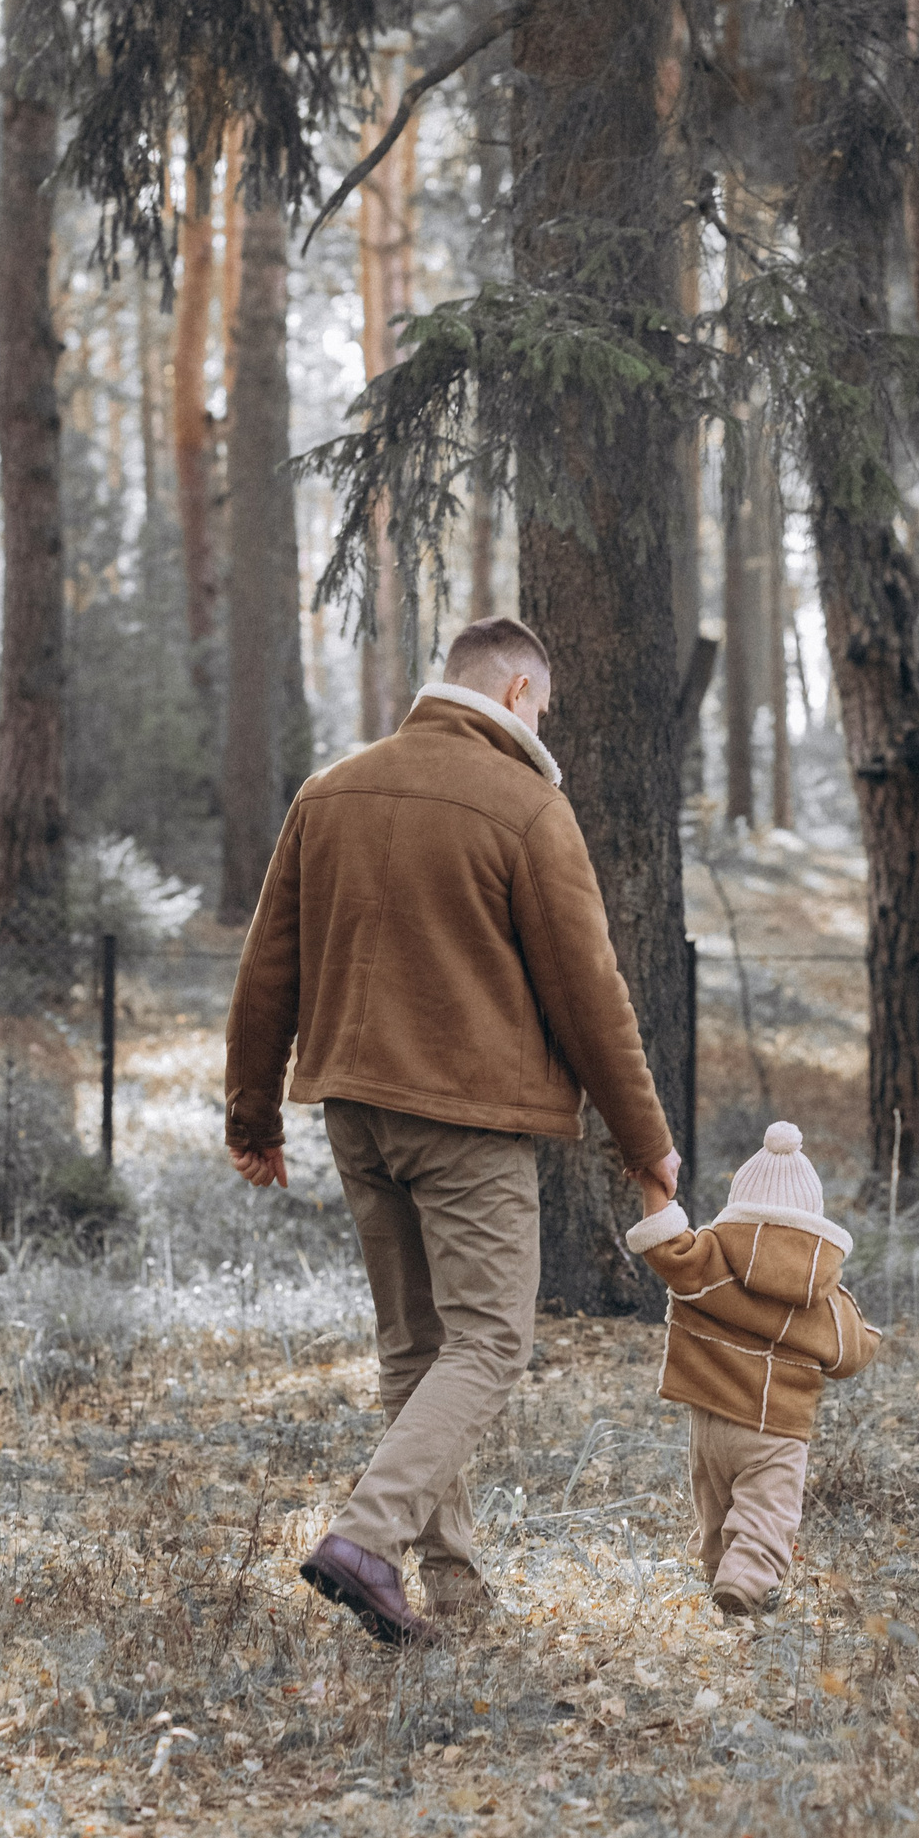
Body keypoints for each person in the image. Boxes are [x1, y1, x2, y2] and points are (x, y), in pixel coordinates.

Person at [223, 616, 681, 1646]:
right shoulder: (526, 807)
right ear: (517, 694)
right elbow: (590, 996)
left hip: (354, 1114)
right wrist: (645, 1143)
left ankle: (455, 1591)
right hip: (467, 1120)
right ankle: (364, 1539)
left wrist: (253, 1114)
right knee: (489, 1340)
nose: (542, 724)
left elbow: (266, 970)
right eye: (543, 708)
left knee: (416, 1349)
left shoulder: (329, 792)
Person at [624, 1122, 878, 1614]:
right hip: (773, 1430)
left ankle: (719, 1577)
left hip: (709, 1423)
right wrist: (868, 1337)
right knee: (766, 1517)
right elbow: (852, 1354)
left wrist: (652, 1183)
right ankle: (745, 1584)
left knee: (716, 1514)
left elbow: (663, 1242)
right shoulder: (823, 1300)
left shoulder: (709, 1262)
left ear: (739, 1204)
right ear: (813, 1220)